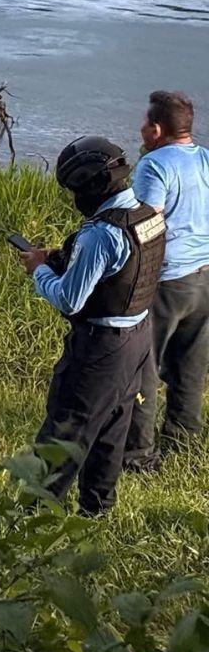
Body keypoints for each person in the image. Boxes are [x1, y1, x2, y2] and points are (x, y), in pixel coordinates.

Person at [18, 137, 166, 515]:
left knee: (65, 430)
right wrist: (60, 256)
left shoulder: (100, 234)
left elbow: (69, 299)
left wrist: (38, 270)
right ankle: (96, 509)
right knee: (112, 429)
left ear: (92, 186)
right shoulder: (149, 216)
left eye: (75, 190)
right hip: (138, 338)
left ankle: (34, 516)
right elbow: (126, 269)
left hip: (101, 347)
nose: (74, 198)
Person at [124, 91, 209, 470]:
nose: (141, 128)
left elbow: (147, 222)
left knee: (144, 367)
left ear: (156, 129)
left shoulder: (154, 164)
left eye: (145, 122)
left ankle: (138, 455)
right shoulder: (205, 159)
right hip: (204, 277)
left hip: (168, 280)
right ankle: (184, 443)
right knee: (190, 366)